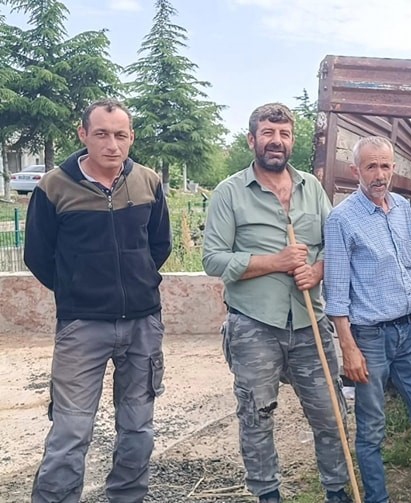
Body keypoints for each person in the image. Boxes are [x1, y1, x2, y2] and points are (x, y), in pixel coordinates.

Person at [24, 98, 172, 502]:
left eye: (121, 135)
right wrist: (78, 289)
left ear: (131, 137)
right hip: (82, 327)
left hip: (143, 324)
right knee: (71, 431)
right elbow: (38, 255)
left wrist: (137, 283)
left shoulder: (148, 182)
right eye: (102, 134)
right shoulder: (54, 186)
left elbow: (159, 245)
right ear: (83, 134)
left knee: (138, 428)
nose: (112, 144)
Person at [202, 103, 350, 503]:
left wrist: (317, 271)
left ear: (292, 141)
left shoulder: (312, 188)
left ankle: (337, 490)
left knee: (331, 414)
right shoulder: (230, 193)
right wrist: (275, 262)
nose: (276, 141)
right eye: (268, 133)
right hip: (254, 325)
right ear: (252, 139)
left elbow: (336, 246)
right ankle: (267, 494)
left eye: (283, 134)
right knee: (256, 416)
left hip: (309, 322)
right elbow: (213, 259)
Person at [324, 136, 411, 503]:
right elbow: (336, 289)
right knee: (372, 429)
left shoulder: (404, 209)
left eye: (386, 166)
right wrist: (349, 347)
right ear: (355, 170)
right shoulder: (342, 219)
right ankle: (376, 498)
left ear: (394, 167)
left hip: (406, 332)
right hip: (369, 337)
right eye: (371, 167)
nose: (380, 175)